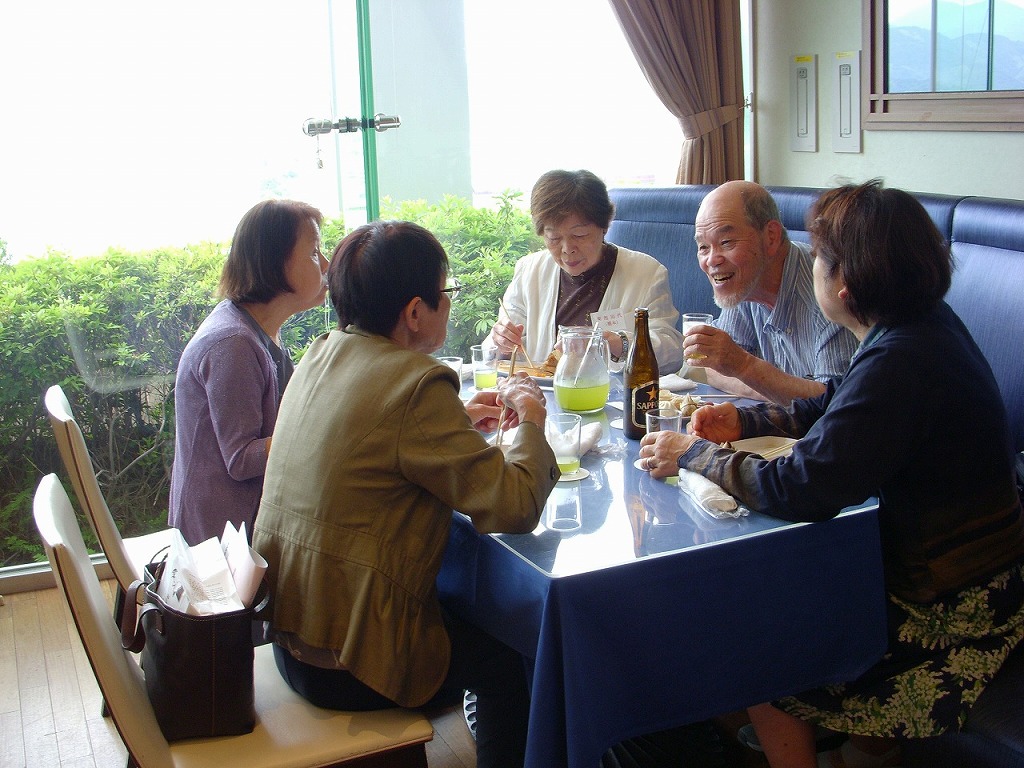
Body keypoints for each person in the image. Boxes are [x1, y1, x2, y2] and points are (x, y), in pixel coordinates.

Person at [640, 180, 1024, 768]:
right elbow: (834, 403)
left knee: (749, 634)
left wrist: (693, 454)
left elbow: (799, 489)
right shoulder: (919, 326)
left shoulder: (902, 360)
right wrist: (743, 422)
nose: (810, 265)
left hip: (954, 611)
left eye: (818, 256)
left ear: (843, 283)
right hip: (974, 577)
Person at [252, 220, 559, 768]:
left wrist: (455, 420)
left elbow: (367, 438)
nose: (449, 304)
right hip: (352, 663)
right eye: (446, 292)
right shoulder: (417, 384)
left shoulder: (322, 351)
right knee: (514, 655)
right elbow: (515, 506)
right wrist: (532, 420)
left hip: (292, 636)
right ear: (416, 312)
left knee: (468, 607)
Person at [169, 199, 327, 545]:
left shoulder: (259, 328)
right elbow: (241, 459)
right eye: (315, 252)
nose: (327, 265)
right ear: (275, 263)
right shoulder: (233, 344)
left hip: (247, 521)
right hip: (223, 544)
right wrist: (321, 434)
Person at [487, 169, 684, 374]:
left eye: (579, 235)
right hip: (539, 391)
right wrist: (502, 341)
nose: (567, 249)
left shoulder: (646, 274)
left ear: (604, 226)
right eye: (554, 238)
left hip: (608, 393)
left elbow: (671, 350)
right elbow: (498, 349)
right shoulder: (529, 271)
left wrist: (617, 343)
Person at [686, 180, 857, 403]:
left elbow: (835, 403)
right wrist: (775, 388)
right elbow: (713, 368)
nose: (711, 260)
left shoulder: (829, 291)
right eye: (703, 247)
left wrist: (744, 367)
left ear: (771, 236)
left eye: (726, 242)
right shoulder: (742, 285)